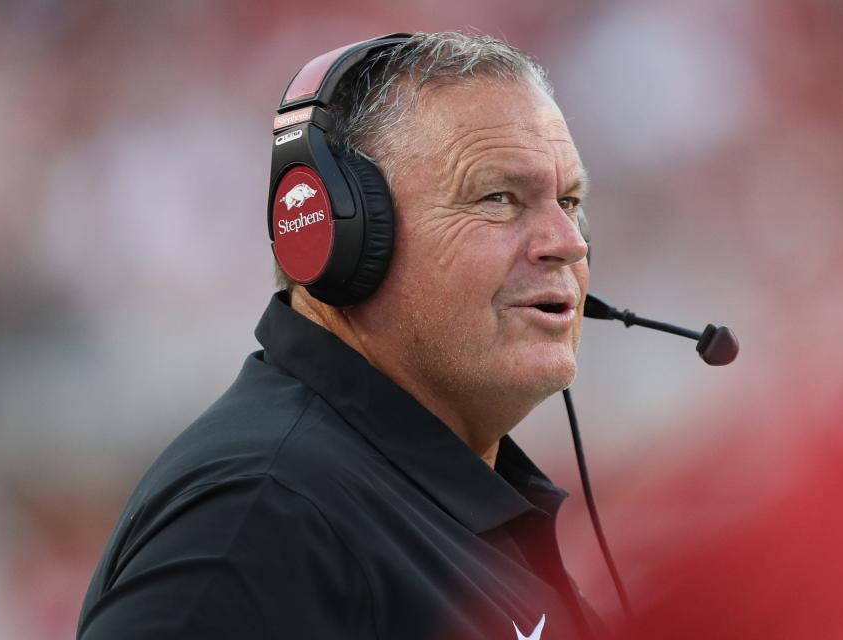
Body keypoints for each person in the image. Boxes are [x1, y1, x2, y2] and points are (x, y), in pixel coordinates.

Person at [77, 31, 602, 639]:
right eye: (499, 198)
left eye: (569, 200)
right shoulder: (259, 516)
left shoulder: (398, 494)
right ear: (339, 237)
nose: (569, 242)